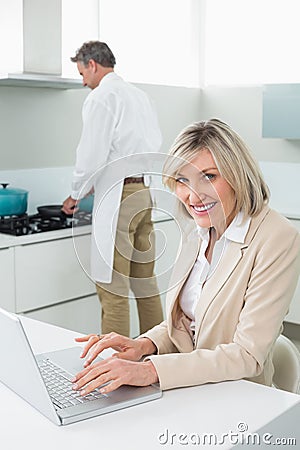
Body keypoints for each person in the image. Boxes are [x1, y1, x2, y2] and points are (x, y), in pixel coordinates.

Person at [70, 118, 300, 396]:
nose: (192, 196)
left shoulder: (278, 237)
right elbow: (186, 322)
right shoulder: (197, 231)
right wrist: (144, 345)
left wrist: (150, 369)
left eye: (209, 176)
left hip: (239, 398)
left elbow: (248, 355)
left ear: (238, 175)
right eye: (182, 180)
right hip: (187, 389)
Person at [62, 41, 163, 337]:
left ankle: (114, 364)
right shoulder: (141, 96)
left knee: (112, 286)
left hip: (120, 199)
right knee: (146, 284)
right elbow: (137, 148)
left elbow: (91, 154)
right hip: (145, 193)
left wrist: (76, 192)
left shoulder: (102, 97)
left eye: (82, 73)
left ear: (92, 64)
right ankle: (157, 356)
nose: (83, 81)